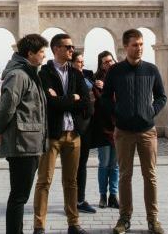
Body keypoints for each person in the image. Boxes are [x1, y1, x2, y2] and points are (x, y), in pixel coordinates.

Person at [101, 29, 167, 234]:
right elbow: (105, 98)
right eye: (134, 45)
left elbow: (161, 97)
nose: (139, 48)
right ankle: (124, 218)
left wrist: (151, 112)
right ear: (125, 47)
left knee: (150, 176)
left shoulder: (151, 69)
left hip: (147, 131)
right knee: (125, 176)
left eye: (141, 44)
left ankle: (153, 219)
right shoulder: (115, 71)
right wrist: (118, 114)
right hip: (123, 131)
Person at [32, 34, 93, 234]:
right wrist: (71, 99)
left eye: (72, 47)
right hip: (53, 135)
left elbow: (86, 103)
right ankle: (39, 226)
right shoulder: (45, 74)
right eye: (68, 47)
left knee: (71, 181)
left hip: (73, 134)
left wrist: (63, 99)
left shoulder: (76, 74)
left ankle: (73, 224)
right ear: (56, 48)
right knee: (44, 180)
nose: (71, 50)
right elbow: (50, 103)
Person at [0, 33, 49, 234]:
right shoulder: (19, 75)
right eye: (41, 52)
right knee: (19, 196)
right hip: (22, 143)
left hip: (30, 141)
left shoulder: (28, 72)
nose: (44, 56)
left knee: (20, 195)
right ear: (30, 53)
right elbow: (8, 106)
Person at [91, 51, 119, 209]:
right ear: (100, 65)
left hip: (119, 126)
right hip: (103, 127)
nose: (109, 64)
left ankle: (113, 195)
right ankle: (103, 195)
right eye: (105, 62)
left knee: (115, 164)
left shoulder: (120, 77)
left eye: (111, 61)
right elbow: (101, 104)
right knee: (104, 163)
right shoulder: (97, 81)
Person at [73, 50, 98, 214]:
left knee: (82, 164)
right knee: (77, 165)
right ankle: (77, 200)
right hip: (77, 124)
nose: (82, 64)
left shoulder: (88, 75)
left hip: (90, 123)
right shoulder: (70, 77)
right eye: (79, 62)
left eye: (83, 61)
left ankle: (79, 199)